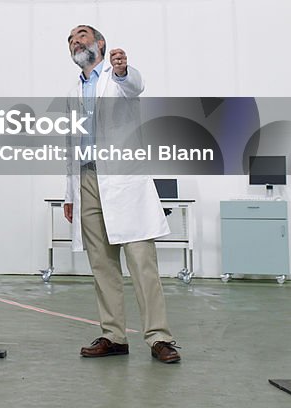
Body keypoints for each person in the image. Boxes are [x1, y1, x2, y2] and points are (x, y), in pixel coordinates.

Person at [61, 25, 180, 363]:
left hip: (123, 179)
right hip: (87, 180)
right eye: (71, 39)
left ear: (100, 44)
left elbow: (134, 85)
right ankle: (113, 335)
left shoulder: (117, 79)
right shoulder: (73, 92)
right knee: (102, 263)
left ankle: (159, 337)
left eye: (82, 35)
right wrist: (69, 193)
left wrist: (123, 69)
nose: (76, 40)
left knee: (142, 261)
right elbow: (70, 146)